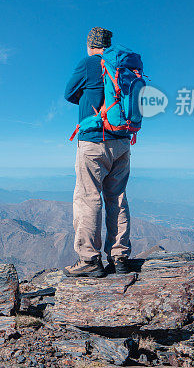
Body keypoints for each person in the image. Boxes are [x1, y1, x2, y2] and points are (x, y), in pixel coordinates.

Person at [62, 27, 131, 277]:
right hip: (122, 141)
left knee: (88, 197)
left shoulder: (89, 63)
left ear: (90, 44)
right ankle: (120, 257)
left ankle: (90, 259)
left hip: (94, 141)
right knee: (118, 198)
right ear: (109, 44)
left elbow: (69, 93)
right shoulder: (123, 65)